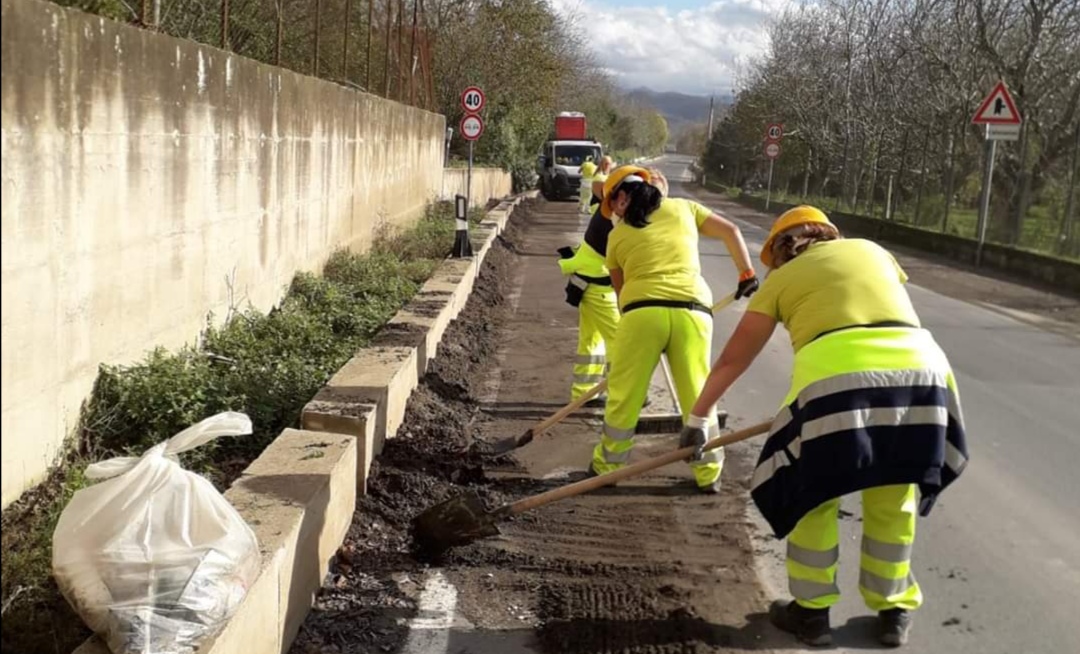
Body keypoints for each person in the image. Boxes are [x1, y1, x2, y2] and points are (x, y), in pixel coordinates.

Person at [680, 205, 970, 646]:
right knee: (894, 493)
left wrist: (699, 417)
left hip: (834, 383)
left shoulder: (780, 280)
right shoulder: (873, 250)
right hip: (924, 377)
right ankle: (893, 610)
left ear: (778, 251)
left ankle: (811, 614)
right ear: (829, 235)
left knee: (812, 495)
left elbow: (734, 359)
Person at [589, 166, 759, 492]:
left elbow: (622, 296)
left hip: (641, 314)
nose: (612, 213)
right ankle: (709, 473)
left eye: (612, 204)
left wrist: (640, 338)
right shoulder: (685, 208)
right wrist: (746, 273)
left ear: (623, 197)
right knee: (698, 393)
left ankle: (606, 467)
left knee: (625, 395)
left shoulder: (617, 238)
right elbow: (731, 230)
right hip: (693, 314)